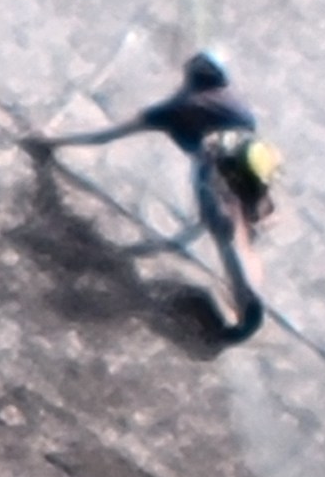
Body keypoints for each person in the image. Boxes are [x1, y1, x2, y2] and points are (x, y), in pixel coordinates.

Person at [28, 52, 279, 342]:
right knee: (236, 232)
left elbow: (105, 136)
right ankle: (247, 292)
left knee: (224, 238)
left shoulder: (173, 110)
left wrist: (50, 142)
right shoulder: (231, 99)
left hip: (218, 169)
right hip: (253, 165)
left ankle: (248, 307)